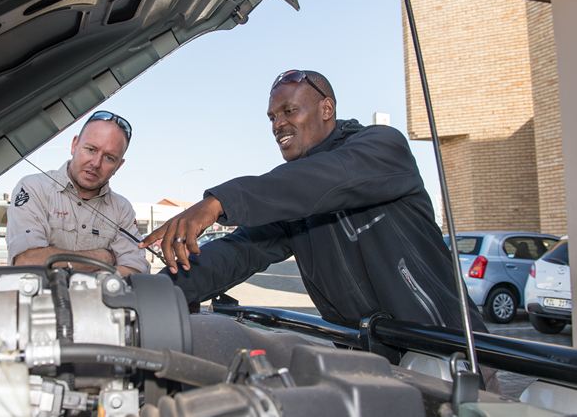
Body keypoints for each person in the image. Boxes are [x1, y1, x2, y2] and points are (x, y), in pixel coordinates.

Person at [140, 70, 487, 331]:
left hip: (450, 349)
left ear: (327, 108)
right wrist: (146, 293)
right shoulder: (293, 198)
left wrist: (217, 202)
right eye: (273, 117)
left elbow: (328, 177)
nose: (279, 124)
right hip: (376, 362)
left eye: (289, 111)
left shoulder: (383, 148)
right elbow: (236, 252)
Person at [7, 110, 150, 276]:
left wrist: (60, 262)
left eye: (109, 158)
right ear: (74, 145)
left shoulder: (122, 208)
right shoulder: (34, 188)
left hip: (100, 302)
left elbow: (136, 269)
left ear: (119, 165)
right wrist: (104, 258)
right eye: (91, 149)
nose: (96, 163)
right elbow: (28, 262)